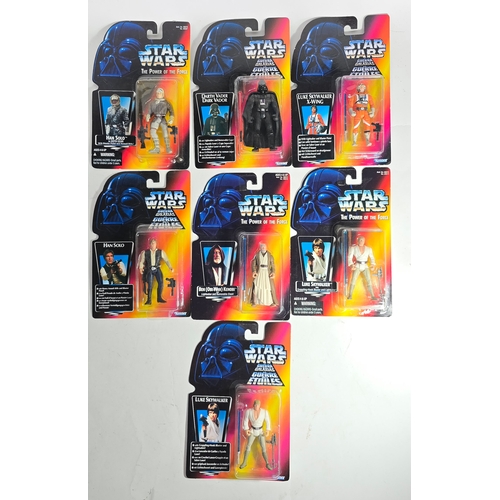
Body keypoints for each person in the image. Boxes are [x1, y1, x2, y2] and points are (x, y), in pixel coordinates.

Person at [242, 80, 282, 152]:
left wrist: (276, 115)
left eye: (264, 86)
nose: (263, 89)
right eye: (261, 87)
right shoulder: (254, 96)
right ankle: (256, 147)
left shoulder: (270, 95)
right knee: (256, 130)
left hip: (267, 114)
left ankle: (272, 146)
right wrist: (249, 117)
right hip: (258, 114)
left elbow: (275, 106)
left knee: (270, 130)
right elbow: (249, 107)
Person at [138, 237, 174, 305]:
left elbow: (166, 260)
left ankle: (159, 298)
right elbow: (141, 261)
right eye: (151, 243)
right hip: (149, 269)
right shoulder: (145, 252)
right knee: (150, 284)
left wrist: (170, 267)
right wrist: (141, 268)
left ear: (156, 244)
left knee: (161, 283)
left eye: (154, 243)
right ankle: (149, 300)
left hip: (157, 269)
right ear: (149, 244)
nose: (152, 245)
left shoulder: (161, 252)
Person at [239, 400, 272, 470]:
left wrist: (267, 430)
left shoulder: (264, 412)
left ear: (260, 405)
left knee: (264, 447)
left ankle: (267, 463)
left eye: (258, 405)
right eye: (255, 405)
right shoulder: (249, 411)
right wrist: (246, 429)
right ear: (253, 405)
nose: (256, 406)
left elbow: (268, 421)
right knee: (248, 446)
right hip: (252, 430)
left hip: (260, 431)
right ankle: (244, 462)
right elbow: (245, 420)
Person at [145, 87, 174, 154]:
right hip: (155, 119)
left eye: (160, 93)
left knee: (165, 133)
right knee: (152, 132)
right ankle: (157, 148)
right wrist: (148, 116)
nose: (158, 94)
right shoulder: (152, 103)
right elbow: (149, 111)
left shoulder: (166, 103)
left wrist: (171, 118)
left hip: (163, 119)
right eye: (157, 93)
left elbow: (171, 111)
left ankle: (168, 147)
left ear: (163, 94)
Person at [347, 234, 376, 300]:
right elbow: (349, 257)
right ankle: (350, 295)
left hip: (365, 266)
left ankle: (372, 295)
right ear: (357, 241)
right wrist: (351, 264)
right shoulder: (353, 248)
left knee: (369, 280)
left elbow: (372, 257)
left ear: (364, 241)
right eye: (360, 240)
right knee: (353, 280)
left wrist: (373, 264)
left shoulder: (368, 249)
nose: (361, 241)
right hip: (357, 265)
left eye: (362, 240)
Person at [249, 242, 278, 307]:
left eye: (264, 247)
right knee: (256, 286)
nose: (263, 248)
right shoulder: (257, 255)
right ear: (260, 248)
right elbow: (253, 264)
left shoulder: (270, 256)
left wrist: (273, 272)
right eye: (262, 247)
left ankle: (271, 302)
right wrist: (254, 271)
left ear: (266, 248)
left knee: (268, 287)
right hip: (259, 272)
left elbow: (273, 265)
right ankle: (255, 301)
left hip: (267, 273)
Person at [348, 82, 376, 146]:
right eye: (360, 86)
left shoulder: (369, 96)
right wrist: (351, 112)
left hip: (366, 112)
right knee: (355, 126)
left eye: (363, 86)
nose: (362, 88)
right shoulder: (354, 96)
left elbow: (372, 105)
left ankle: (367, 141)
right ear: (358, 88)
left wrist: (372, 112)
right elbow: (350, 106)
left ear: (365, 88)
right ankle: (354, 142)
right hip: (357, 112)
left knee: (367, 126)